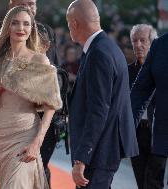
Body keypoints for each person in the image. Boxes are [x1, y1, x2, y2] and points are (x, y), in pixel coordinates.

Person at [0, 6, 62, 189]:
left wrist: (37, 141)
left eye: (26, 24)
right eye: (15, 23)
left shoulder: (39, 60)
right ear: (8, 27)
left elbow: (51, 105)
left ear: (31, 29)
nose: (20, 28)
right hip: (0, 137)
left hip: (26, 135)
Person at [66, 0, 139, 188]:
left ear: (74, 23)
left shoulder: (99, 52)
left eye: (68, 24)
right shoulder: (105, 47)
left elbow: (98, 110)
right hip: (103, 149)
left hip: (99, 152)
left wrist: (82, 158)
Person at [131, 31, 168, 189]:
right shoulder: (160, 45)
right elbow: (141, 90)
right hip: (161, 134)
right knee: (150, 183)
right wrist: (127, 126)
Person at [128, 24, 158, 189]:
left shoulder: (160, 70)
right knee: (141, 180)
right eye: (134, 41)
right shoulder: (127, 72)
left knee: (153, 181)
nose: (138, 45)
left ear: (152, 42)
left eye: (143, 40)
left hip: (157, 131)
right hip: (136, 133)